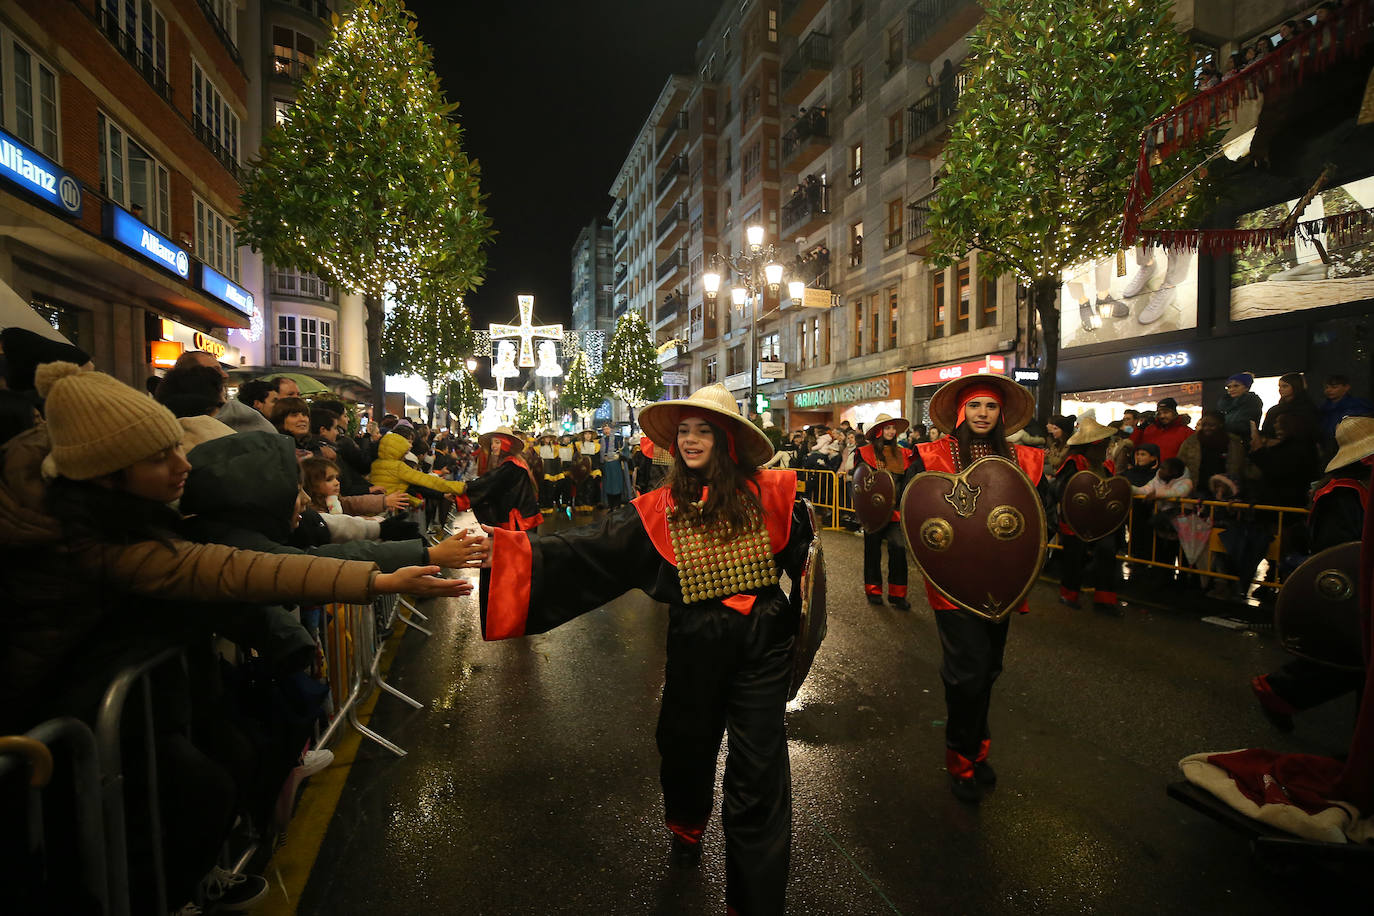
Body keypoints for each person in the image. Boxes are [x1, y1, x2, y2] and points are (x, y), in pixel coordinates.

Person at [475, 383, 813, 916]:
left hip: (761, 650)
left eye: (704, 430)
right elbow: (589, 547)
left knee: (760, 776)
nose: (692, 440)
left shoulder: (776, 496)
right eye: (684, 431)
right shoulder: (658, 508)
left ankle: (755, 904)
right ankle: (687, 823)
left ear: (726, 440)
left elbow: (808, 573)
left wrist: (794, 641)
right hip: (695, 645)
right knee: (684, 746)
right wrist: (506, 552)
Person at [911, 376, 1043, 803]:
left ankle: (977, 752)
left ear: (1001, 414)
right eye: (975, 406)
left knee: (988, 670)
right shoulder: (931, 456)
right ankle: (960, 759)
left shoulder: (1024, 459)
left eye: (990, 406)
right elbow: (914, 509)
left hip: (1003, 583)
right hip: (952, 585)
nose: (982, 413)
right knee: (966, 674)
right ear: (961, 413)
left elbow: (1040, 519)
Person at [1251, 415, 1372, 730]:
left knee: (1355, 663)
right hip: (1355, 585)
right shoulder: (1343, 494)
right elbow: (1343, 549)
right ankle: (1278, 691)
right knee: (1349, 659)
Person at [1051, 413, 1125, 613]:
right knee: (1074, 560)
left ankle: (1104, 599)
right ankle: (1069, 594)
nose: (1105, 449)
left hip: (1102, 521)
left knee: (1108, 554)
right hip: (1075, 521)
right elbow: (1060, 490)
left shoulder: (1106, 466)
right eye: (1102, 446)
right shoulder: (1073, 464)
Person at [855, 414, 915, 608]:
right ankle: (873, 590)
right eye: (887, 428)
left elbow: (908, 482)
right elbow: (860, 484)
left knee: (898, 549)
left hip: (896, 511)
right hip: (873, 512)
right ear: (879, 431)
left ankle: (898, 594)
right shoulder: (864, 452)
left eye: (893, 428)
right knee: (872, 551)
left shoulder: (904, 454)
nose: (891, 432)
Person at [1179, 410, 1246, 497]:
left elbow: (1238, 465)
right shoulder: (1191, 442)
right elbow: (1181, 462)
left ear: (1221, 425)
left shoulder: (1233, 442)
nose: (1207, 428)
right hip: (1197, 488)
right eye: (1204, 425)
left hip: (1225, 489)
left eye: (1211, 425)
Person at [1259, 372, 1319, 443]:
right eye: (1279, 386)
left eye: (1285, 386)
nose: (1280, 389)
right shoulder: (1274, 410)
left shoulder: (1307, 408)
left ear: (1296, 386)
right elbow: (1265, 430)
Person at [1217, 372, 1264, 439]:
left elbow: (1244, 426)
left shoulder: (1252, 401)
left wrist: (1219, 427)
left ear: (1246, 387)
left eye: (1236, 386)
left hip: (1244, 442)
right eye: (1229, 387)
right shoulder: (1225, 404)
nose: (1232, 389)